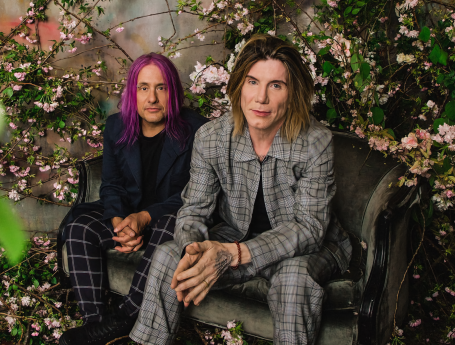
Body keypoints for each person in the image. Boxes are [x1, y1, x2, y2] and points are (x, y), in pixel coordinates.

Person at [130, 35, 352, 345]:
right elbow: (193, 210)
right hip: (236, 236)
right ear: (238, 87)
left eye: (276, 85)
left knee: (293, 280)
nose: (260, 98)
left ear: (292, 94)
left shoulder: (315, 142)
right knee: (169, 255)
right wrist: (195, 251)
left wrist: (234, 254)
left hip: (305, 247)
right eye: (252, 82)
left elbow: (310, 228)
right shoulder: (211, 137)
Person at [59, 53, 208, 345]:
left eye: (161, 88)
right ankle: (97, 326)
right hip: (128, 216)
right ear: (133, 92)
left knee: (173, 224)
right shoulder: (117, 126)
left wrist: (143, 218)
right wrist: (119, 223)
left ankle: (126, 317)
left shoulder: (198, 131)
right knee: (79, 228)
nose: (152, 98)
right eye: (143, 88)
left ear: (173, 92)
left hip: (166, 219)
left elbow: (194, 196)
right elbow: (111, 184)